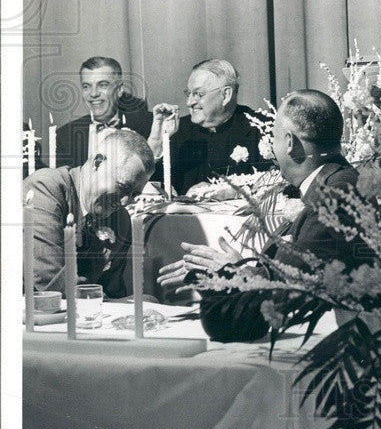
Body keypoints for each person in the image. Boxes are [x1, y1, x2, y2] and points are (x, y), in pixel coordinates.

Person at [158, 91, 361, 339]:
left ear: (289, 143)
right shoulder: (334, 182)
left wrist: (231, 273)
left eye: (273, 138)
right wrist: (231, 271)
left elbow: (288, 288)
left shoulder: (334, 195)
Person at [23, 129, 155, 298]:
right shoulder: (45, 188)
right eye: (123, 187)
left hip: (88, 312)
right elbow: (50, 282)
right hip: (34, 313)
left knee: (148, 300)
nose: (124, 202)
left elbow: (113, 290)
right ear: (98, 163)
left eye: (134, 194)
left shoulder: (121, 220)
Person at [148, 59, 267, 196]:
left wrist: (226, 191)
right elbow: (142, 182)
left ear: (225, 95)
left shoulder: (260, 129)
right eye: (189, 93)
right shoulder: (178, 130)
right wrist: (157, 139)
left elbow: (275, 186)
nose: (189, 102)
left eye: (198, 94)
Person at [53, 56, 153, 169]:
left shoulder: (147, 128)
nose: (94, 93)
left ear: (119, 89)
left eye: (103, 85)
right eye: (86, 86)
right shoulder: (64, 137)